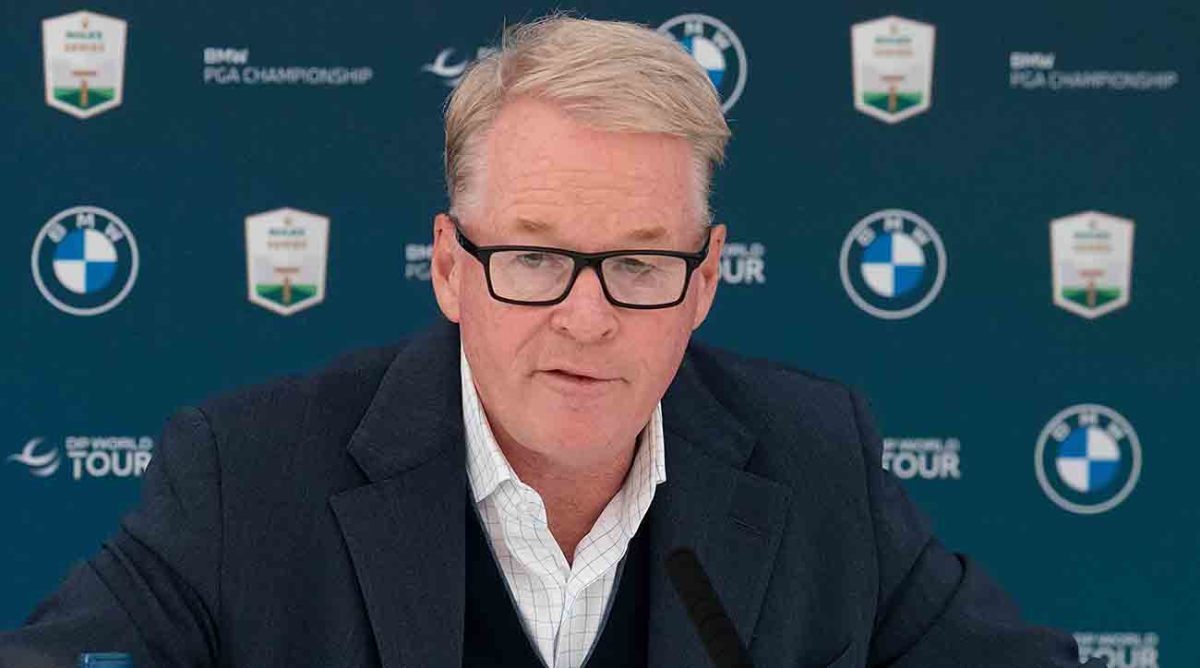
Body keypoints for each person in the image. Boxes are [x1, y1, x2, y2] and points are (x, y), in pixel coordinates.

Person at [2, 15, 1102, 668]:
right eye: (532, 258)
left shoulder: (817, 461)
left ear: (706, 280)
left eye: (639, 262)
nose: (587, 316)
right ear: (449, 266)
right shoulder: (248, 473)